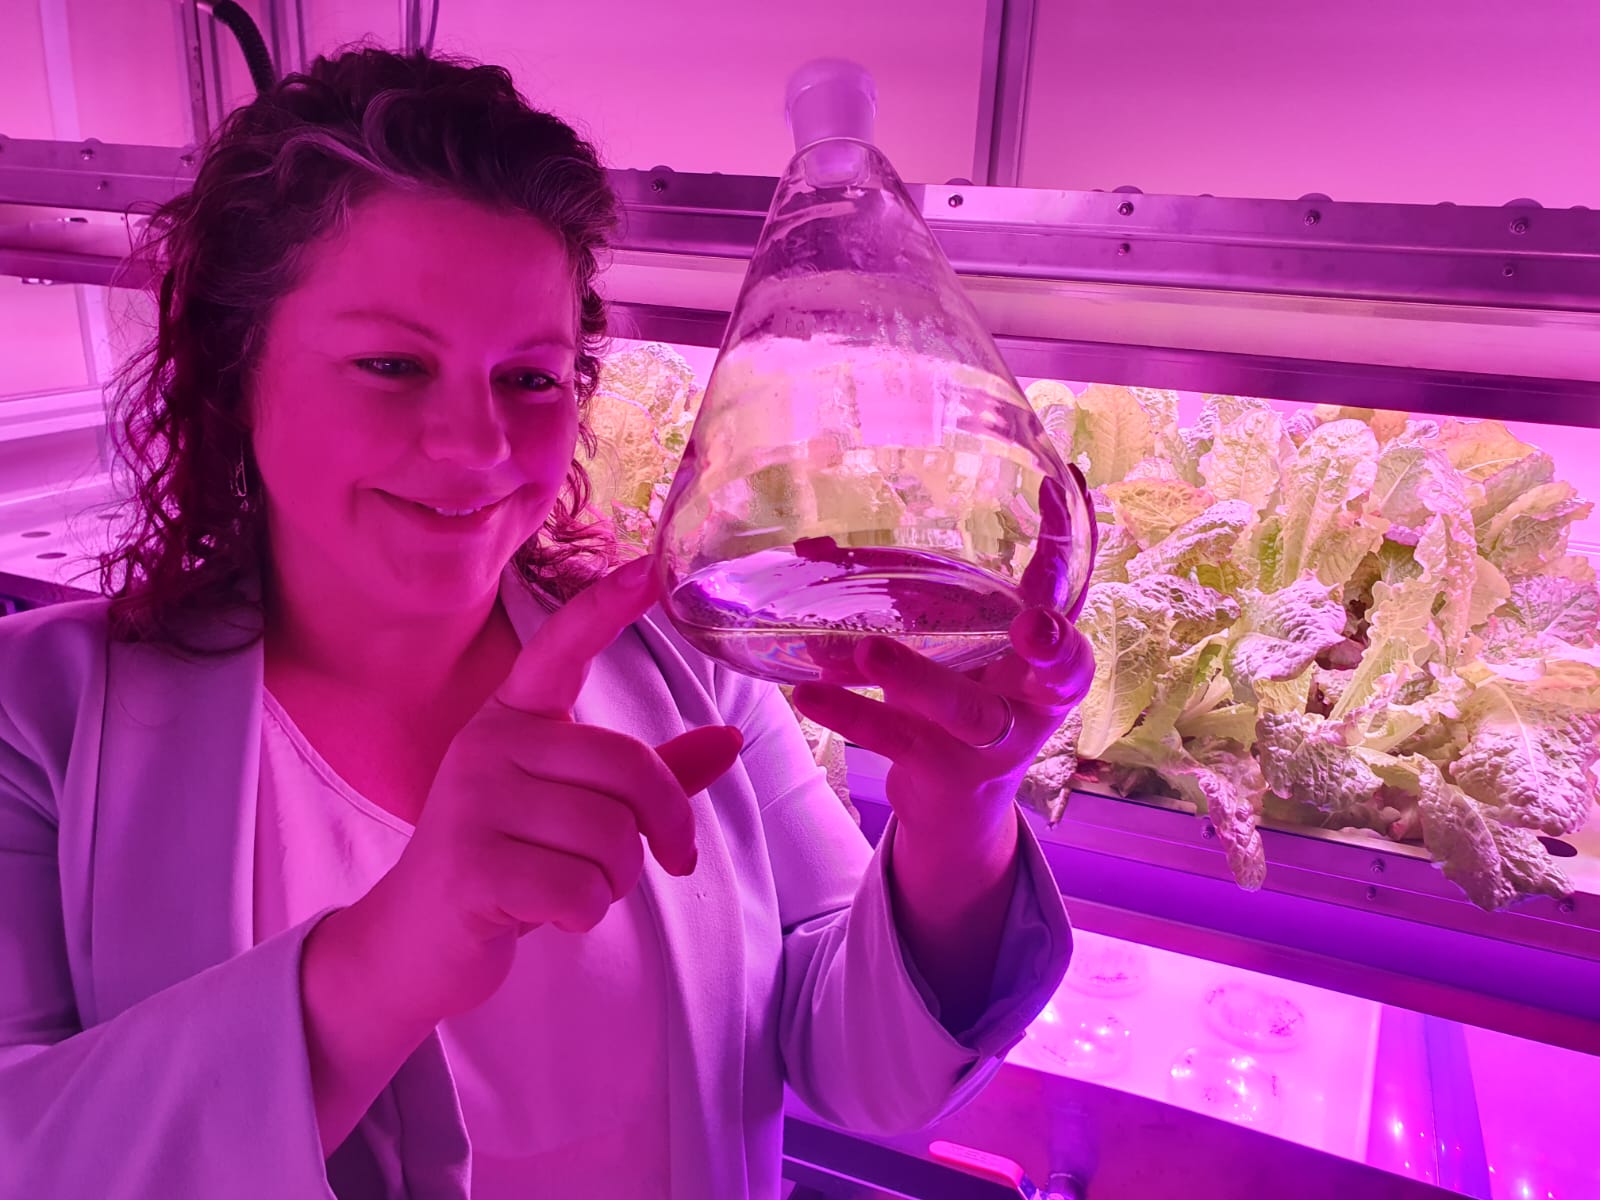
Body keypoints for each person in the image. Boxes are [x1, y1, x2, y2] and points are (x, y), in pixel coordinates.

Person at [0, 47, 1092, 1200]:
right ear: (233, 373)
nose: (474, 448)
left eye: (529, 378)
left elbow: (857, 1064)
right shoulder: (39, 721)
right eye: (388, 364)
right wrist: (389, 956)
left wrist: (959, 825)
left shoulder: (684, 674)